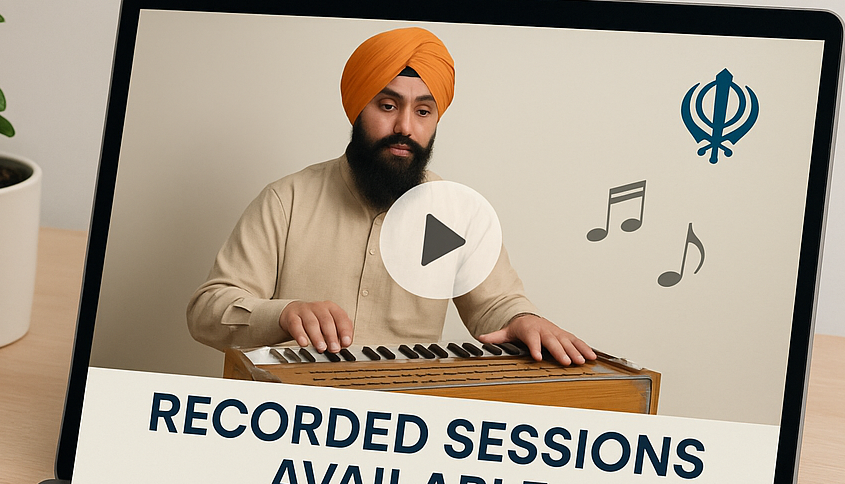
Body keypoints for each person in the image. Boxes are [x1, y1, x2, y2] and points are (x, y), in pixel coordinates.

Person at [186, 27, 595, 368]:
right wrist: (286, 313)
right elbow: (208, 311)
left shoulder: (456, 214)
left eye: (422, 112)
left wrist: (525, 320)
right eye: (387, 105)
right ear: (358, 107)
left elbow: (498, 304)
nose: (404, 127)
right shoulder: (286, 200)